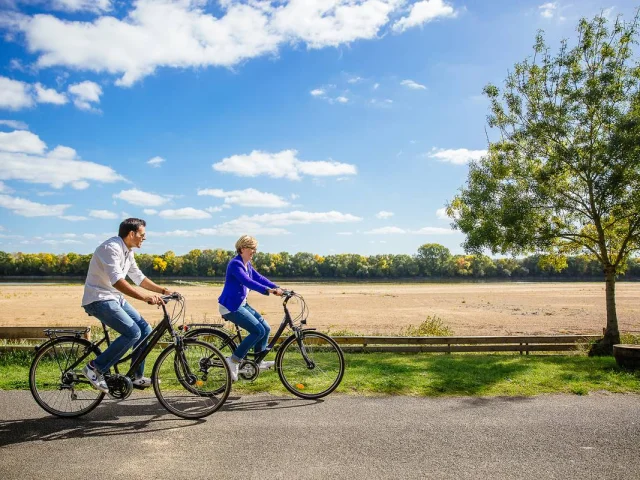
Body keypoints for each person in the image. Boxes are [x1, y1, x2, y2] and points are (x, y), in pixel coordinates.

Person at [81, 218, 174, 393]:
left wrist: (163, 290)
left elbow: (138, 277)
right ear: (131, 234)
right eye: (142, 235)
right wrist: (145, 297)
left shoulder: (128, 251)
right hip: (98, 298)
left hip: (114, 298)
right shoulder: (111, 248)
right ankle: (95, 368)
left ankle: (135, 377)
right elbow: (117, 281)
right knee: (133, 332)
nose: (144, 238)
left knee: (145, 330)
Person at [218, 235, 283, 381]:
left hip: (241, 304)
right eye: (251, 248)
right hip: (230, 307)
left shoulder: (247, 265)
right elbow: (248, 282)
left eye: (255, 248)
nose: (254, 251)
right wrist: (268, 290)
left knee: (265, 328)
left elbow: (258, 278)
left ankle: (257, 362)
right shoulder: (235, 264)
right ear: (242, 249)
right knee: (257, 331)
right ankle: (233, 361)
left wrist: (276, 287)